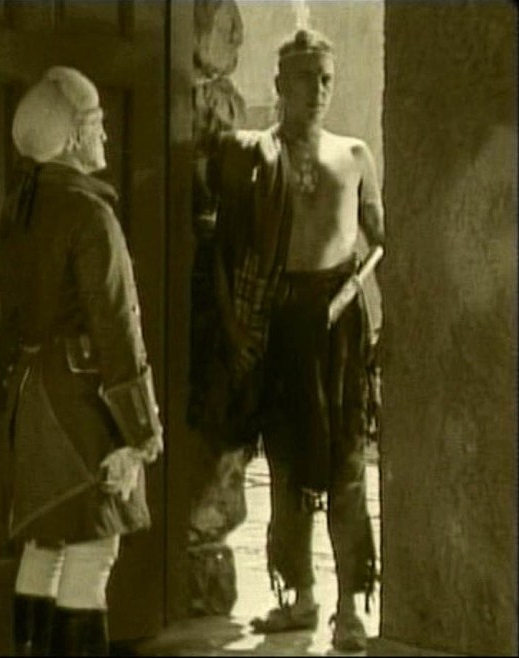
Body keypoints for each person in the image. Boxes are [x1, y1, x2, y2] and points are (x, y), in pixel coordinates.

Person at [206, 28, 385, 652]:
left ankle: (350, 607)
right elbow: (225, 251)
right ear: (280, 83)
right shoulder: (253, 158)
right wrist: (237, 326)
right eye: (306, 77)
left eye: (326, 78)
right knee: (285, 466)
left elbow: (380, 240)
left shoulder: (354, 155)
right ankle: (300, 596)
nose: (318, 89)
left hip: (339, 327)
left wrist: (374, 308)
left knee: (346, 468)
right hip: (280, 324)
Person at [0, 66, 163, 657]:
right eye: (96, 124)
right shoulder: (91, 214)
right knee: (93, 550)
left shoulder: (18, 210)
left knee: (44, 544)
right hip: (79, 404)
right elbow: (117, 326)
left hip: (30, 396)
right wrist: (141, 431)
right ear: (70, 137)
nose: (105, 136)